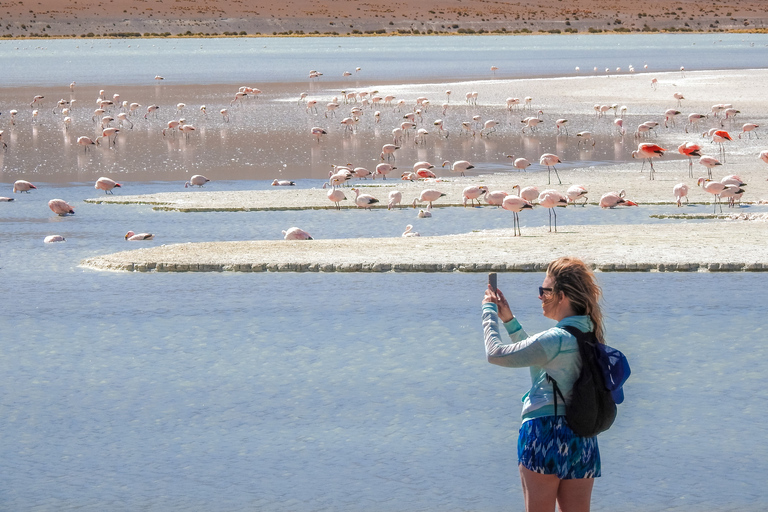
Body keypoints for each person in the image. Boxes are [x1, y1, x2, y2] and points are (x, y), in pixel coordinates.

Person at [481, 256, 605, 512]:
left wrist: (488, 313)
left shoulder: (555, 338)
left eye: (544, 291)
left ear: (562, 297)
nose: (540, 296)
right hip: (582, 436)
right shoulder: (590, 332)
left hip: (544, 434)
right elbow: (541, 359)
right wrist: (510, 321)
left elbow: (495, 353)